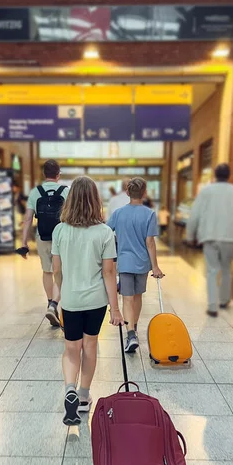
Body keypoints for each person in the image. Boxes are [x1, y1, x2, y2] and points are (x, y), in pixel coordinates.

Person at [52, 176, 124, 426]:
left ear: (69, 200)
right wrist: (115, 310)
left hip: (71, 299)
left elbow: (56, 270)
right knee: (90, 346)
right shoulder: (105, 233)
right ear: (96, 200)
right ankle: (83, 396)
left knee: (71, 349)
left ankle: (69, 389)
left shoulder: (59, 230)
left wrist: (63, 291)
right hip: (96, 301)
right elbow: (108, 273)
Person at [186, 163, 233, 317]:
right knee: (226, 269)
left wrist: (189, 236)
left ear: (215, 175)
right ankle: (224, 300)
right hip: (229, 237)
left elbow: (194, 215)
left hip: (209, 236)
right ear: (228, 175)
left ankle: (212, 306)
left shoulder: (206, 191)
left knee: (211, 270)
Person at [108, 177, 164, 353]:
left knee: (127, 298)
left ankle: (130, 333)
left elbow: (107, 232)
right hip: (141, 263)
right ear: (145, 193)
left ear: (127, 193)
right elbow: (150, 243)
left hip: (124, 262)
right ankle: (134, 328)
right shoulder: (149, 214)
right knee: (138, 296)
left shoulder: (118, 213)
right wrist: (155, 266)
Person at [21, 159, 69, 327]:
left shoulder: (36, 192)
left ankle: (50, 302)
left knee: (47, 271)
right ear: (58, 174)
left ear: (44, 174)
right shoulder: (66, 191)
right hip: (62, 237)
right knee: (60, 272)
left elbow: (28, 218)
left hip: (42, 236)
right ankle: (54, 304)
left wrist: (24, 241)